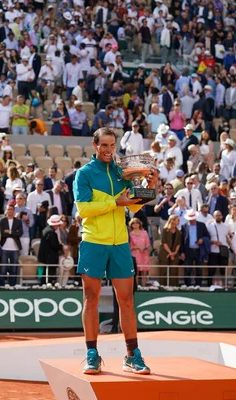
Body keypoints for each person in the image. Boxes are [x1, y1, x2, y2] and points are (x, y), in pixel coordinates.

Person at [74, 127, 156, 375]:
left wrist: (151, 187)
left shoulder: (123, 173)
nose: (109, 150)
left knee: (127, 301)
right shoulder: (84, 174)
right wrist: (115, 202)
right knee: (91, 299)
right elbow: (84, 210)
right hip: (93, 242)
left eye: (112, 145)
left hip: (120, 243)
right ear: (94, 145)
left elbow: (136, 206)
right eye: (105, 145)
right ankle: (92, 354)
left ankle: (132, 355)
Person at [0, 203, 22, 286]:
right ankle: (1, 286)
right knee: (3, 268)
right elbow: (2, 233)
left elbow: (20, 233)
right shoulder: (2, 221)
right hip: (4, 247)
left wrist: (10, 232)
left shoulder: (18, 221)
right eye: (8, 209)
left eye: (11, 209)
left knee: (14, 268)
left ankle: (12, 286)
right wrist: (14, 233)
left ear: (14, 211)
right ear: (6, 210)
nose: (10, 211)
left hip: (15, 248)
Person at [38, 214, 63, 284]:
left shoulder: (45, 230)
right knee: (49, 274)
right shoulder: (51, 233)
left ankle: (44, 284)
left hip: (45, 256)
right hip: (50, 257)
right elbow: (54, 245)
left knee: (45, 273)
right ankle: (46, 285)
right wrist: (61, 246)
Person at [128, 218, 151, 286]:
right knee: (136, 271)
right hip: (135, 254)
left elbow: (148, 243)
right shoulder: (130, 234)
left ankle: (144, 286)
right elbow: (130, 246)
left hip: (144, 254)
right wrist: (137, 247)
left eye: (137, 223)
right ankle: (136, 287)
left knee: (144, 272)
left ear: (139, 224)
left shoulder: (144, 233)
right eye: (133, 223)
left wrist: (144, 248)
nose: (135, 225)